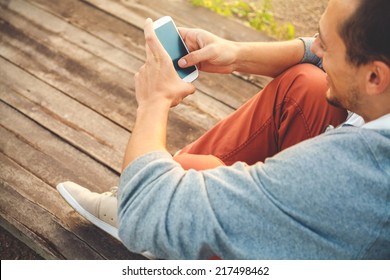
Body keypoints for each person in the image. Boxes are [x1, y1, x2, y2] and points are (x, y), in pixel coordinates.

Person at [57, 0, 390, 259]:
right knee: (306, 85)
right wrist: (236, 54)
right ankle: (169, 187)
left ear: (375, 77)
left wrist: (154, 100)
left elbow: (146, 208)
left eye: (327, 45)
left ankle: (170, 210)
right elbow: (313, 55)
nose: (315, 47)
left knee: (194, 172)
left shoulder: (344, 174)